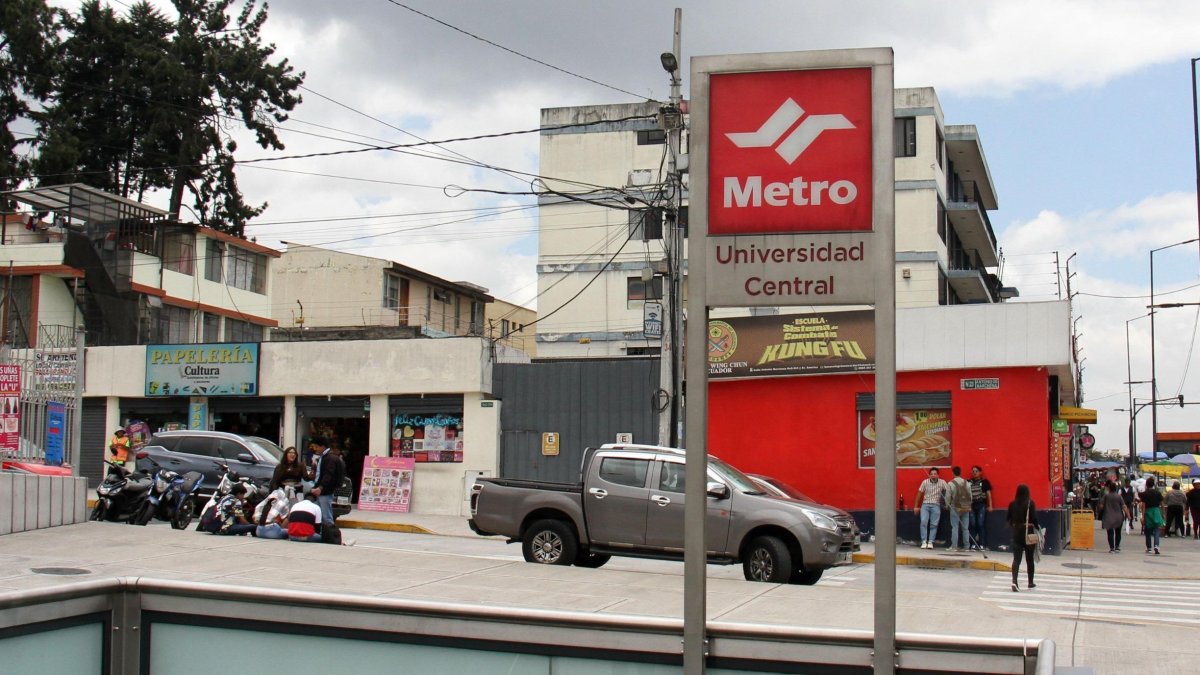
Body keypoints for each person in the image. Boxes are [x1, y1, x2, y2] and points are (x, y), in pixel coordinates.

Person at [1005, 484, 1038, 592]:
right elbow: (1034, 519)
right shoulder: (1030, 503)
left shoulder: (1012, 504)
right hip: (1028, 533)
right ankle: (1030, 582)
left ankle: (1014, 582)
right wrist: (1037, 528)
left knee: (1016, 559)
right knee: (1030, 559)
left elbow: (1008, 519)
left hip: (1017, 533)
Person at [309, 436, 346, 529]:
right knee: (317, 513)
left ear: (322, 446)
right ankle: (322, 532)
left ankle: (332, 534)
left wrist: (320, 487)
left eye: (316, 447)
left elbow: (328, 475)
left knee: (326, 516)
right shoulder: (324, 457)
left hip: (325, 491)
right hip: (321, 490)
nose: (315, 449)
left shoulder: (329, 458)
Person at [913, 468, 945, 550]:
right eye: (931, 474)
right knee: (923, 522)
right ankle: (924, 541)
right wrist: (916, 506)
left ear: (938, 475)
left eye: (935, 474)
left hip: (936, 505)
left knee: (934, 524)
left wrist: (945, 503)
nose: (933, 475)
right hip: (925, 505)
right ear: (929, 475)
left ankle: (930, 541)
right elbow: (919, 494)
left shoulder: (942, 482)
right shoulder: (925, 482)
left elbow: (948, 492)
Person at [946, 466, 972, 551]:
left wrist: (947, 506)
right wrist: (968, 505)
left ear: (953, 473)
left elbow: (948, 497)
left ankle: (954, 546)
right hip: (965, 506)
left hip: (955, 507)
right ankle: (967, 546)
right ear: (960, 472)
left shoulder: (950, 483)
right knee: (965, 527)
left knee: (955, 527)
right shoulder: (966, 483)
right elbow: (970, 496)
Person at [1100, 480, 1129, 553]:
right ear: (1116, 489)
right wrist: (1128, 515)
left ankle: (1112, 548)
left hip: (1108, 517)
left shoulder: (1106, 496)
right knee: (1118, 532)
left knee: (1110, 533)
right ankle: (1117, 546)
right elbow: (1124, 506)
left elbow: (1101, 506)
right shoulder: (1119, 496)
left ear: (1109, 488)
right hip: (1119, 517)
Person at [968, 465, 993, 551]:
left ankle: (982, 544)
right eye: (973, 471)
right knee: (972, 524)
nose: (974, 473)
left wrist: (990, 505)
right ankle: (973, 544)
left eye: (976, 471)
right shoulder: (969, 482)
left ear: (980, 472)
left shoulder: (984, 482)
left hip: (981, 504)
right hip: (971, 505)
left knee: (980, 524)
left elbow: (988, 494)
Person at [1138, 476, 1164, 554]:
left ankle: (1149, 548)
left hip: (1148, 511)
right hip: (1156, 511)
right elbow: (1162, 504)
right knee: (1156, 530)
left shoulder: (1145, 494)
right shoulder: (1157, 493)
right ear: (1153, 485)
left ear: (1146, 484)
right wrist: (1163, 513)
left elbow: (1143, 505)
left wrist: (1143, 516)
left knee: (1148, 530)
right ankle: (1156, 545)